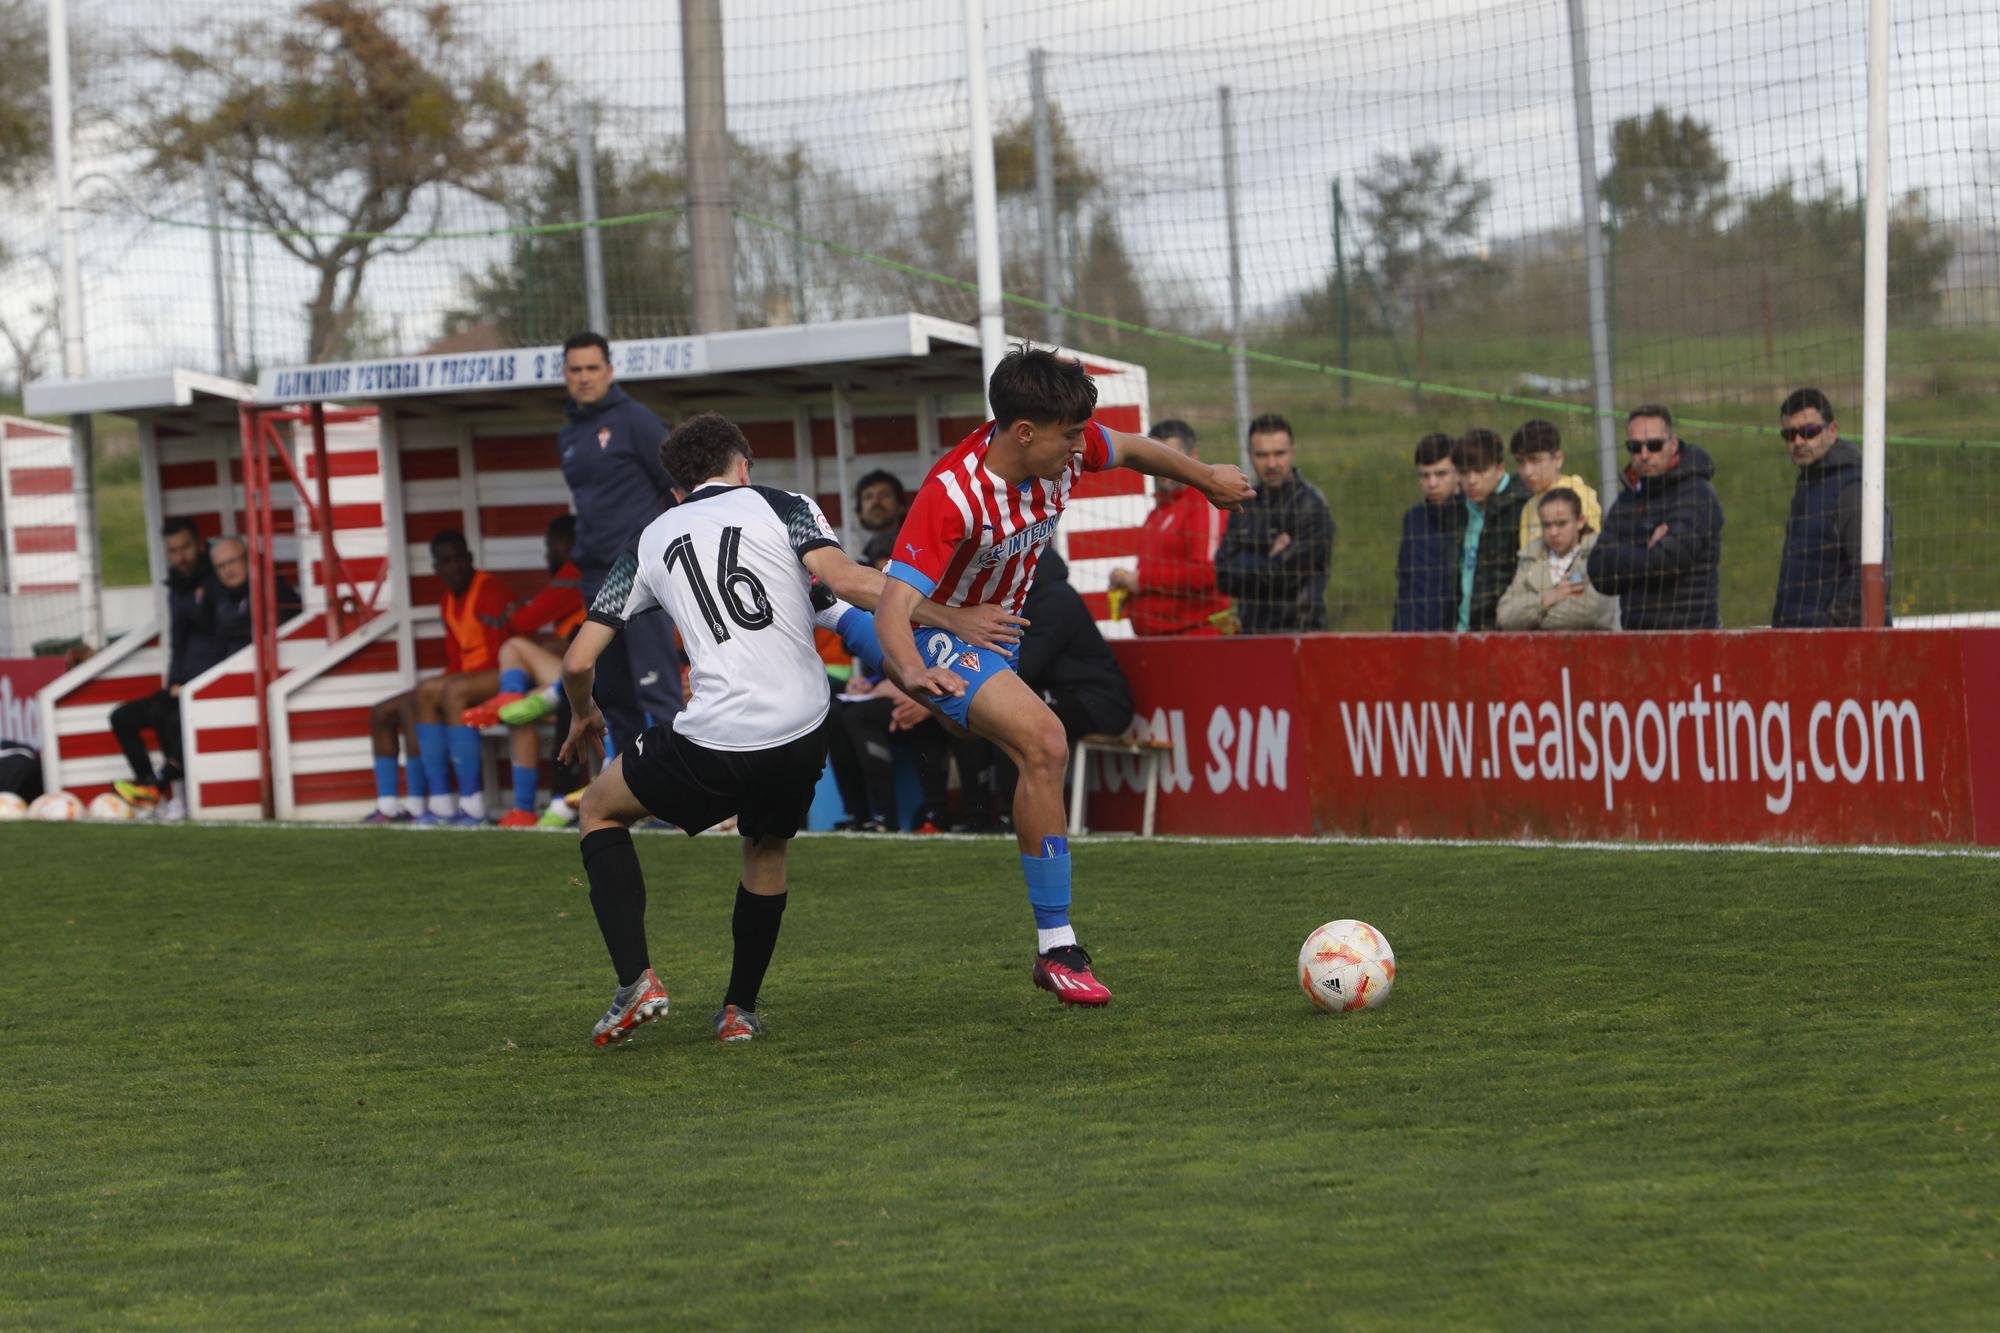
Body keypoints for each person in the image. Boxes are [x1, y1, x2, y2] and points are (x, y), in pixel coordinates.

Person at [560, 411, 1011, 1048]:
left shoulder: (648, 538)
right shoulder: (783, 505)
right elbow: (851, 585)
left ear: (675, 490)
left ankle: (636, 982)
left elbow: (579, 661)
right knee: (767, 846)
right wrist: (949, 618)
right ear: (743, 467)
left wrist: (585, 712)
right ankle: (739, 1012)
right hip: (804, 729)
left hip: (717, 734)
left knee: (602, 810)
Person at [874, 344, 1254, 1007]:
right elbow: (893, 607)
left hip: (998, 635)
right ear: (1025, 432)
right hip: (941, 634)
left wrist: (1203, 478)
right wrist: (912, 671)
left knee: (1022, 746)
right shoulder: (953, 495)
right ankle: (1058, 946)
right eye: (1070, 435)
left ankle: (821, 578)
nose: (1082, 447)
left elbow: (1133, 448)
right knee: (1045, 741)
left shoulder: (1064, 450)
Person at [557, 331, 686, 755]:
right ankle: (636, 798)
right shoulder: (570, 436)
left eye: (592, 368)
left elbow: (679, 488)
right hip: (596, 578)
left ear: (609, 371)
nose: (584, 377)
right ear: (565, 374)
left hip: (638, 573)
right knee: (614, 696)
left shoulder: (636, 420)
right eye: (575, 369)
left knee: (658, 691)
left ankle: (680, 798)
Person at [365, 530, 513, 825]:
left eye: (460, 558)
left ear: (470, 558)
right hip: (464, 678)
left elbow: (503, 649)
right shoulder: (447, 601)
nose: (455, 566)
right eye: (446, 561)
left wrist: (441, 684)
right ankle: (403, 805)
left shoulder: (490, 589)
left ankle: (469, 805)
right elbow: (456, 660)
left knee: (440, 691)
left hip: (501, 674)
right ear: (436, 568)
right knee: (384, 711)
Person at [458, 515, 590, 827]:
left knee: (514, 645)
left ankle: (509, 695)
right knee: (519, 713)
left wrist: (517, 614)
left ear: (565, 545)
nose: (548, 555)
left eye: (550, 547)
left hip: (591, 678)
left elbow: (524, 621)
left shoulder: (575, 570)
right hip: (576, 676)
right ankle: (524, 810)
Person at [992, 549, 1135, 810]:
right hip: (1064, 692)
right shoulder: (1022, 600)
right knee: (984, 710)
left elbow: (1024, 666)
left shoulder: (1055, 599)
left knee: (1012, 717)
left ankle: (1010, 817)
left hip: (1099, 702)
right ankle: (976, 814)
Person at [110, 518, 220, 814]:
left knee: (169, 720)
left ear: (199, 544)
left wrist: (194, 684)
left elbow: (222, 641)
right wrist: (173, 682)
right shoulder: (176, 586)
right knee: (122, 717)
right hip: (181, 685)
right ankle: (150, 788)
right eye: (173, 551)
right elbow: (177, 642)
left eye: (185, 548)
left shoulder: (216, 581)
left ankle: (159, 791)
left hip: (210, 684)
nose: (180, 556)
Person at [1588, 405, 1725, 630]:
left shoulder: (1698, 493)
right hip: (1637, 639)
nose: (1644, 455)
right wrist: (1647, 547)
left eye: (1654, 445)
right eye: (1635, 447)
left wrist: (1624, 552)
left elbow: (1667, 563)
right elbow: (1598, 571)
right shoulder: (1627, 500)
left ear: (1672, 444)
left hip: (1692, 636)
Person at [1771, 388, 1887, 627]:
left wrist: (1829, 629)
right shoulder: (1809, 483)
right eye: (1789, 435)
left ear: (1832, 431)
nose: (1798, 442)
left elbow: (1872, 576)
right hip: (1799, 644)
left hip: (1835, 648)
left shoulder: (1855, 488)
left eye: (1809, 432)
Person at [1108, 420, 1232, 636]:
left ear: (1193, 458)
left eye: (1173, 457)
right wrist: (1128, 585)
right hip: (1162, 641)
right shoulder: (1157, 513)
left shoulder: (1203, 503)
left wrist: (1140, 580)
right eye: (1157, 458)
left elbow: (1208, 574)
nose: (1164, 466)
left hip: (1197, 641)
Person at [1214, 413, 1333, 632]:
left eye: (1279, 454)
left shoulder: (1311, 506)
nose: (1271, 463)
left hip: (1300, 634)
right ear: (1250, 456)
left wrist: (1246, 562)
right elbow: (1223, 576)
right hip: (1250, 635)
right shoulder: (1245, 503)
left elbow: (1287, 577)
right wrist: (1270, 558)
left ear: (1292, 453)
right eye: (1262, 455)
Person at [1495, 489, 1619, 631]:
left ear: (1580, 521)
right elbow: (1504, 615)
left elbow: (1590, 613)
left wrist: (1531, 623)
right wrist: (1546, 600)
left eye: (1561, 523)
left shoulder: (1598, 553)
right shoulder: (1530, 557)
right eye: (1547, 525)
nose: (1553, 532)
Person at [1452, 428, 1529, 632]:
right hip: (1462, 630)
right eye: (1465, 472)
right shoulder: (1457, 511)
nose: (1472, 480)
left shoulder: (1521, 507)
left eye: (1480, 470)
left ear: (1500, 469)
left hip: (1504, 631)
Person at [1392, 432, 1466, 632]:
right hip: (1412, 637)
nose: (1432, 484)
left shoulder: (1472, 516)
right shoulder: (1413, 519)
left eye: (1441, 474)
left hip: (1460, 637)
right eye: (1425, 475)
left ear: (1459, 474)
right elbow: (1405, 587)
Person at [202, 535, 303, 661]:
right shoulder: (219, 600)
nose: (227, 570)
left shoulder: (273, 590)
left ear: (247, 559)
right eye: (220, 566)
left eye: (232, 561)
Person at [1510, 419, 1603, 550]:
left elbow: (1587, 554)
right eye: (1520, 462)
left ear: (1558, 459)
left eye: (1535, 460)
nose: (1527, 471)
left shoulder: (1579, 496)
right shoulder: (1528, 507)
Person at [853, 469, 910, 569]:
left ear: (901, 506)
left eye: (885, 495)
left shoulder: (916, 546)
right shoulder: (864, 558)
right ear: (859, 512)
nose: (876, 501)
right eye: (868, 496)